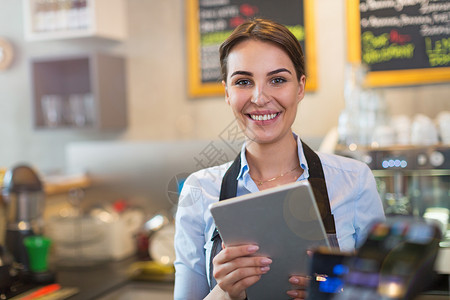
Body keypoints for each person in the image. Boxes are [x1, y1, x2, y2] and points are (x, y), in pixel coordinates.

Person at [174, 18, 385, 300]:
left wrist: (333, 290)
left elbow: (381, 292)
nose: (260, 98)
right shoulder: (198, 189)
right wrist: (225, 293)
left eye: (277, 80)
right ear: (227, 92)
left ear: (299, 88)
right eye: (243, 81)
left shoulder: (354, 180)